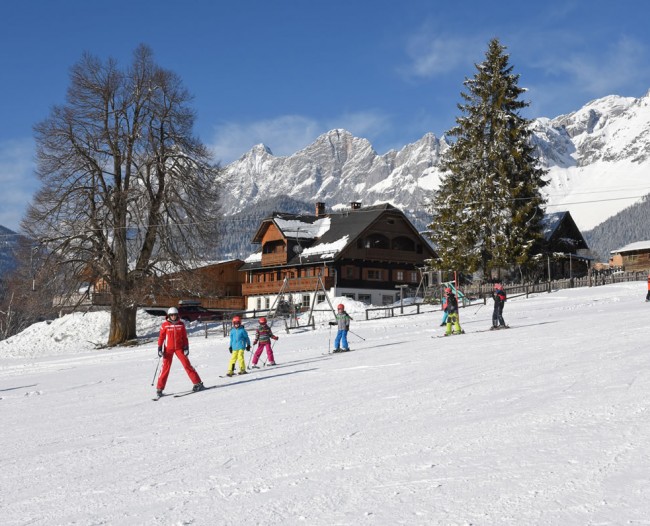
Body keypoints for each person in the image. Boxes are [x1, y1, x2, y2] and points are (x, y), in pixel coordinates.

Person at [156, 307, 204, 397]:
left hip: (179, 348)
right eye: (172, 315)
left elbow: (184, 337)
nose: (173, 317)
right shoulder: (165, 325)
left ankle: (198, 383)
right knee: (165, 367)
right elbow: (161, 337)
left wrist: (186, 347)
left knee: (187, 364)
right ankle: (160, 388)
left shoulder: (181, 324)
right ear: (169, 316)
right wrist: (159, 348)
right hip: (168, 349)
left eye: (175, 315)